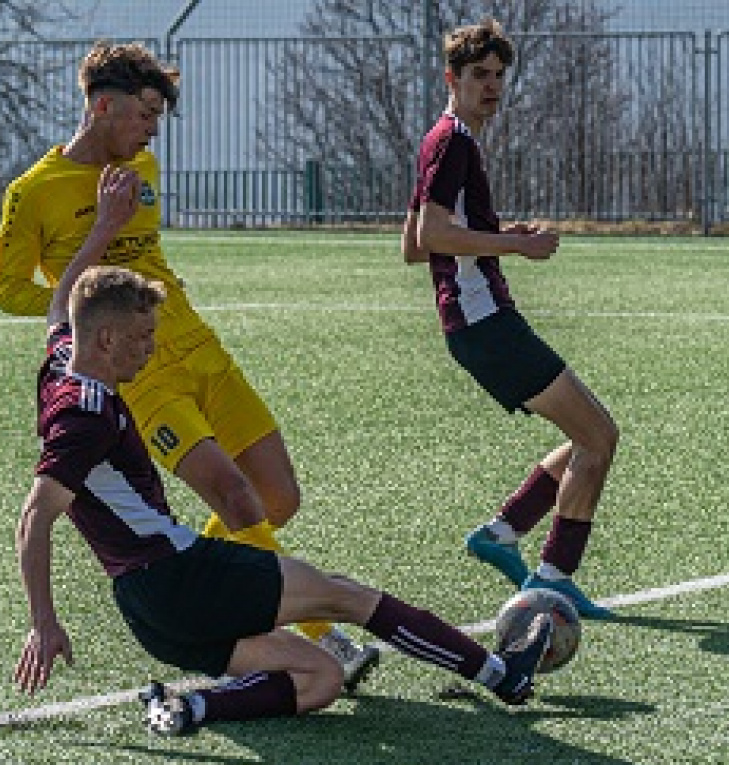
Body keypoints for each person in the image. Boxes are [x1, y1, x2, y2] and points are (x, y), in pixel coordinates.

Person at [13, 259, 555, 735]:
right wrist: (43, 620)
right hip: (179, 577)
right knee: (348, 596)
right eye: (142, 337)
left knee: (321, 678)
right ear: (105, 339)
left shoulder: (61, 360)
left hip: (146, 608)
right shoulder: (84, 414)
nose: (151, 350)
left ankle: (187, 707)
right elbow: (35, 517)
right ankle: (502, 674)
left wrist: (104, 229)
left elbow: (62, 304)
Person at [0, 41, 378, 685]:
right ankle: (323, 636)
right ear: (102, 105)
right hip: (138, 372)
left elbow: (147, 258)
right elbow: (8, 287)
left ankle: (206, 569)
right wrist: (87, 318)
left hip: (199, 345)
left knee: (276, 496)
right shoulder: (35, 191)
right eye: (144, 113)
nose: (152, 130)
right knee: (232, 492)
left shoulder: (141, 165)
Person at [401, 19, 618, 619]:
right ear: (452, 78)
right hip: (485, 322)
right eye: (479, 75)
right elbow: (432, 234)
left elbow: (415, 246)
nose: (492, 86)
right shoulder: (454, 142)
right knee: (598, 438)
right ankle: (552, 579)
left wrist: (496, 235)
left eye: (499, 76)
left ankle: (501, 533)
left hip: (476, 322)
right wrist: (519, 247)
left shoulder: (439, 139)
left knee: (584, 436)